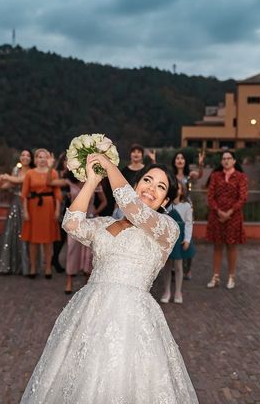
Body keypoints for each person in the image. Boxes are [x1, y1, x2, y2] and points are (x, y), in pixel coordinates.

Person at [21, 154, 198, 403]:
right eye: (147, 180)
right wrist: (92, 181)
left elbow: (132, 207)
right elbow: (71, 224)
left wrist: (110, 167)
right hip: (90, 312)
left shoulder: (167, 229)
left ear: (165, 201)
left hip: (131, 319)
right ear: (135, 185)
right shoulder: (105, 223)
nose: (151, 188)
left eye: (160, 187)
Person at [206, 151, 248, 290]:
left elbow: (242, 197)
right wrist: (219, 211)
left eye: (229, 158)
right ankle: (216, 276)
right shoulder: (215, 176)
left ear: (234, 161)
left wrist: (229, 212)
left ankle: (231, 277)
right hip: (217, 216)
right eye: (223, 159)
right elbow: (210, 196)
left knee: (231, 246)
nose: (226, 161)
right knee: (217, 246)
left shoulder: (241, 177)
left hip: (233, 217)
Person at [21, 148, 62, 278]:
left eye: (45, 157)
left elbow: (57, 194)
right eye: (39, 157)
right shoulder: (30, 174)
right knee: (33, 240)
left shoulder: (54, 173)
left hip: (48, 206)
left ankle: (48, 268)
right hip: (33, 207)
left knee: (48, 240)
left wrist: (57, 210)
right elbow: (24, 194)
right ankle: (33, 268)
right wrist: (25, 211)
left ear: (48, 159)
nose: (42, 159)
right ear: (35, 159)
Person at [0, 149, 34, 275]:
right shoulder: (16, 170)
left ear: (31, 159)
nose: (25, 157)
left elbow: (21, 181)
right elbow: (10, 184)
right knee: (12, 231)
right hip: (16, 203)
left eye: (27, 155)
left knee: (26, 233)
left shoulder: (32, 172)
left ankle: (27, 266)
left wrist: (6, 176)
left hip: (27, 203)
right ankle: (9, 264)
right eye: (23, 155)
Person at [64, 172, 106, 294]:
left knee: (89, 251)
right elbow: (50, 182)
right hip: (74, 221)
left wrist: (95, 212)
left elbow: (104, 201)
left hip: (89, 220)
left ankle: (87, 280)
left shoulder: (94, 182)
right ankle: (69, 280)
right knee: (72, 249)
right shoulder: (70, 182)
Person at [171, 150, 204, 279]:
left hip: (187, 208)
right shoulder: (171, 176)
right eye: (177, 158)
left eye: (182, 158)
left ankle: (187, 269)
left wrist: (201, 164)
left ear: (185, 161)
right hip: (174, 208)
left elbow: (200, 175)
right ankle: (174, 268)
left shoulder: (189, 176)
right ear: (174, 161)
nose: (180, 160)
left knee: (187, 238)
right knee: (174, 237)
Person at [160, 184, 195, 304]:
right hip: (168, 238)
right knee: (167, 266)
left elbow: (189, 223)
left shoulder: (186, 206)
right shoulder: (165, 205)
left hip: (180, 238)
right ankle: (166, 291)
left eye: (179, 188)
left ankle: (178, 292)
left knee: (179, 266)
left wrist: (187, 239)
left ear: (182, 191)